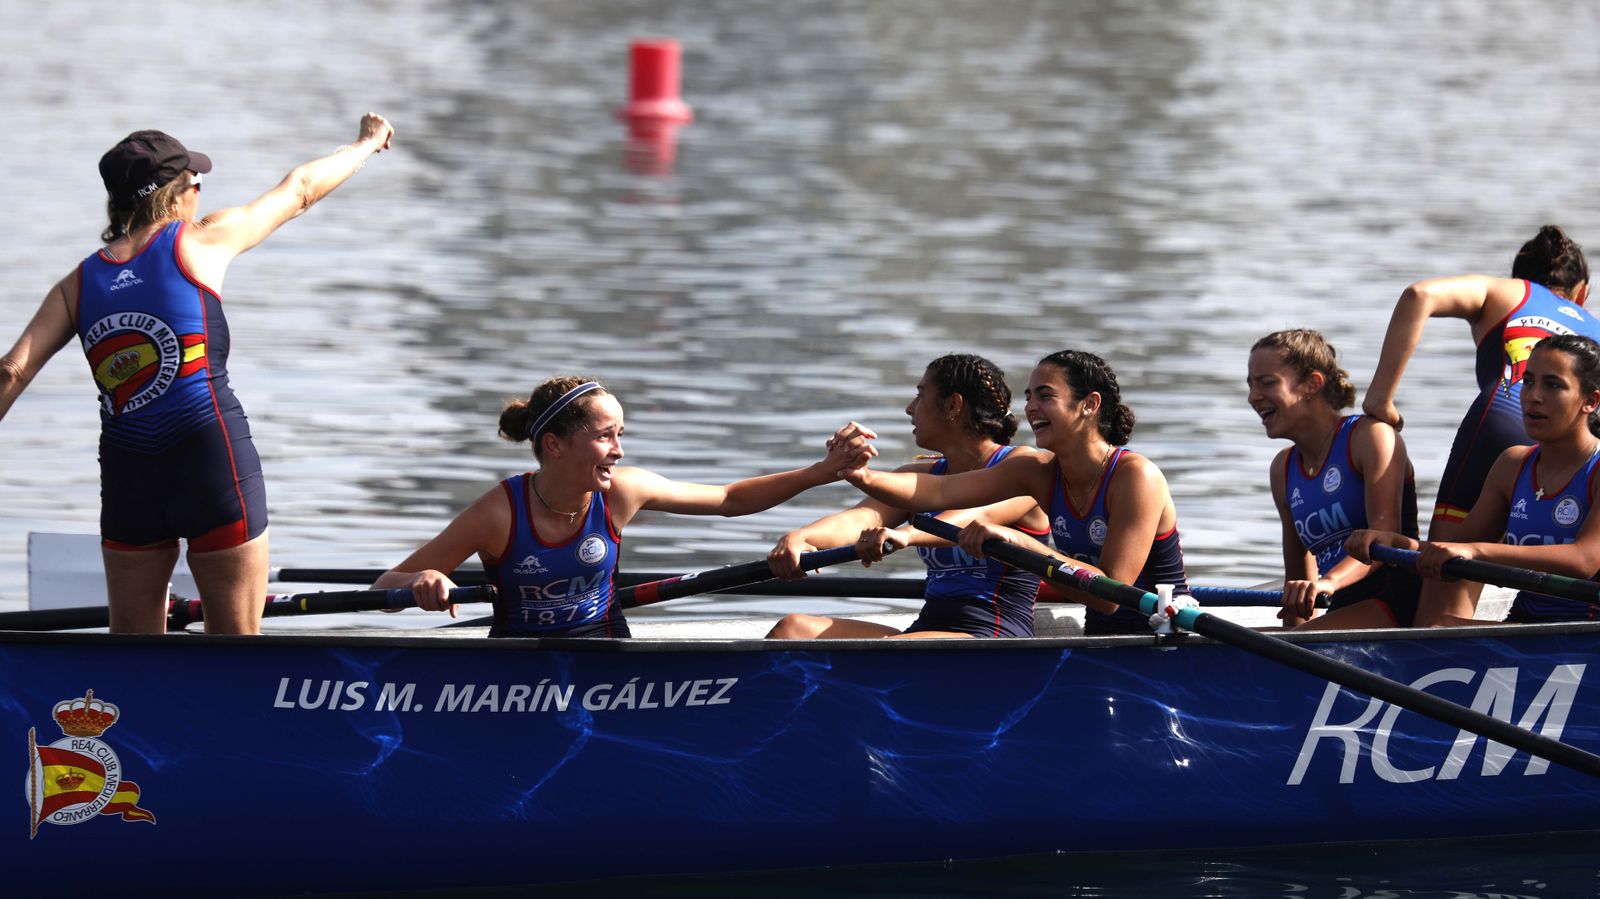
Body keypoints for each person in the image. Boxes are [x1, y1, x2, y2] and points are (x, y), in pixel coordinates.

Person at [0, 115, 395, 635]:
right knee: (234, 656)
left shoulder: (76, 285)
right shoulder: (202, 240)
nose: (201, 191)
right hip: (211, 460)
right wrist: (367, 144)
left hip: (130, 476)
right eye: (196, 182)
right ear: (178, 192)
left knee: (133, 668)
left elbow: (12, 370)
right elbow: (299, 189)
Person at [375, 376, 873, 638]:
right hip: (517, 673)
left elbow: (729, 500)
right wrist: (425, 581)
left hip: (609, 659)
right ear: (554, 445)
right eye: (605, 437)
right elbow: (385, 586)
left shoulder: (621, 492)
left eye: (620, 435)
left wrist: (821, 471)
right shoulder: (499, 513)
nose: (619, 450)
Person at [834, 350, 1190, 636]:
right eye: (1029, 396)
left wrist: (1018, 543)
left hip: (1164, 638)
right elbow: (939, 491)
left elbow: (1111, 593)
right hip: (1101, 638)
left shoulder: (1136, 476)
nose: (1031, 407)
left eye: (1046, 396)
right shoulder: (1037, 473)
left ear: (1090, 404)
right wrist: (861, 475)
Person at [765, 354, 1050, 639]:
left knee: (887, 653)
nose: (909, 409)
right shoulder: (920, 475)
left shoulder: (1023, 466)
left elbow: (979, 515)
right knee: (792, 629)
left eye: (920, 395)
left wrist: (905, 534)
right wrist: (802, 537)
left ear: (953, 405)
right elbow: (861, 518)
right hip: (927, 631)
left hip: (993, 635)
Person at [1363, 226, 1600, 541]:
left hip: (1501, 413)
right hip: (1578, 442)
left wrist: (1381, 398)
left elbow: (1419, 295)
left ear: (1518, 274)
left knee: (1445, 563)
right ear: (1581, 292)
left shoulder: (1505, 291)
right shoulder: (1593, 330)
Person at [1350, 335, 1600, 625]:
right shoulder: (1512, 464)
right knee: (1438, 628)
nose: (1534, 396)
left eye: (1553, 385)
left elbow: (1584, 561)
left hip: (1587, 636)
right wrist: (1395, 543)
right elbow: (1455, 549)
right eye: (1529, 381)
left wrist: (1476, 551)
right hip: (1528, 629)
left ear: (1590, 401)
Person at [1246, 329, 1422, 629]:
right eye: (1250, 385)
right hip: (1341, 604)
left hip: (1395, 599)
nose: (1253, 397)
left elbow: (1384, 537)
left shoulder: (1370, 436)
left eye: (1267, 383)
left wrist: (1329, 582)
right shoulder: (1282, 469)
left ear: (1312, 384)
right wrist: (1294, 631)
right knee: (1257, 646)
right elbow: (1299, 583)